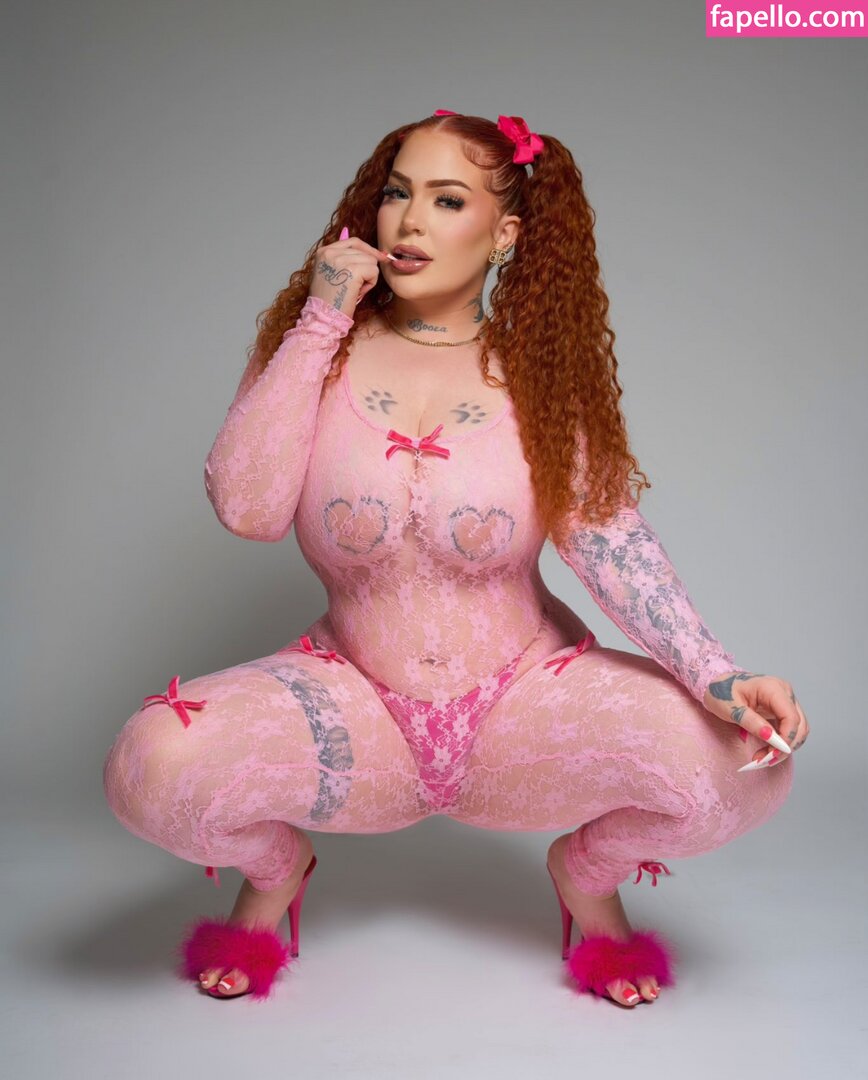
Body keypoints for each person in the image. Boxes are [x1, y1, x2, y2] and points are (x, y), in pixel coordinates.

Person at [102, 110, 807, 1007]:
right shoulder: (315, 354)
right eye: (398, 193)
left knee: (749, 762)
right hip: (354, 711)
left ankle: (587, 875)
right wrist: (321, 316)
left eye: (446, 200)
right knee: (148, 766)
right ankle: (277, 872)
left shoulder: (539, 380)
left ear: (504, 233)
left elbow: (610, 541)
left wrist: (716, 674)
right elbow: (246, 508)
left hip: (523, 709)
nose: (410, 221)